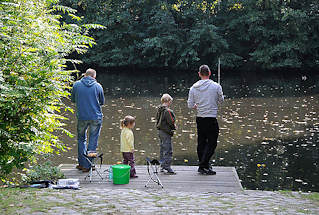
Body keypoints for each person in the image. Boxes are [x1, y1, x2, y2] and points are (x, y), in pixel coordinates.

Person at [187, 65, 224, 175]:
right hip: (211, 118)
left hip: (200, 118)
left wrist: (195, 106)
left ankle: (204, 165)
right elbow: (221, 101)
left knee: (201, 142)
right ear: (209, 73)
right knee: (212, 143)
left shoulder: (193, 88)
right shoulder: (216, 86)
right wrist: (219, 97)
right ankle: (203, 165)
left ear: (199, 74)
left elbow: (190, 105)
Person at [71, 68, 104, 172]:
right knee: (93, 141)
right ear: (94, 77)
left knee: (81, 140)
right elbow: (102, 102)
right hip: (95, 117)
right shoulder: (98, 86)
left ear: (85, 75)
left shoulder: (76, 85)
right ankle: (89, 165)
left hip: (82, 117)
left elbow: (73, 100)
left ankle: (82, 164)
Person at [156, 93, 176, 174]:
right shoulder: (168, 111)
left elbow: (157, 119)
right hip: (166, 132)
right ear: (168, 101)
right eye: (170, 101)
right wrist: (174, 127)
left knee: (162, 149)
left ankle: (162, 165)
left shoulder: (159, 109)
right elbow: (171, 121)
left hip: (160, 131)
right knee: (168, 149)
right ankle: (167, 167)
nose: (170, 103)